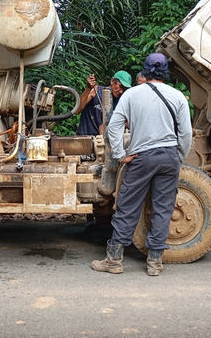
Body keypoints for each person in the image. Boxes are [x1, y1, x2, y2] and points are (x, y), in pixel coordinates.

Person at [91, 53, 192, 276]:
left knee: (127, 206)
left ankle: (114, 259)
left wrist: (120, 155)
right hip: (169, 157)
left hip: (141, 157)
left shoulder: (132, 95)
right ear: (166, 72)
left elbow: (114, 127)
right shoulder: (177, 97)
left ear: (145, 71)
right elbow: (185, 133)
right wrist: (179, 156)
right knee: (163, 207)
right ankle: (155, 262)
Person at [75, 70, 132, 135]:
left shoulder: (121, 101)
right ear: (112, 81)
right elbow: (77, 110)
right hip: (85, 137)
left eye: (124, 89)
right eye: (120, 87)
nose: (121, 91)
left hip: (106, 140)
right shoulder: (96, 91)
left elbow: (126, 123)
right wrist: (88, 88)